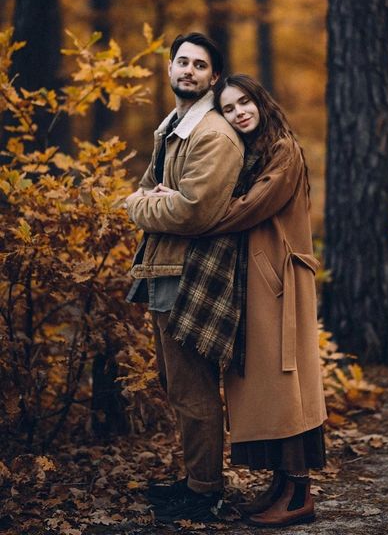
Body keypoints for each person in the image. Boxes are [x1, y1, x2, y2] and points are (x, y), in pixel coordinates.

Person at [157, 74, 328, 528]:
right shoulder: (253, 153)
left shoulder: (283, 150)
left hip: (281, 282)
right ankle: (281, 486)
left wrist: (192, 215)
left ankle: (298, 496)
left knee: (286, 388)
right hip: (257, 282)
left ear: (261, 101)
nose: (238, 113)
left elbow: (251, 207)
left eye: (244, 102)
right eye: (229, 109)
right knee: (266, 390)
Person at [125, 33, 244, 523]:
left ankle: (206, 492)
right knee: (176, 383)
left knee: (192, 386)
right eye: (181, 61)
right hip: (164, 265)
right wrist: (155, 200)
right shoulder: (172, 125)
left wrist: (139, 204)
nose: (188, 70)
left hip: (191, 272)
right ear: (169, 68)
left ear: (214, 77)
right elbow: (157, 194)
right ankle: (196, 479)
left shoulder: (212, 134)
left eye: (200, 64)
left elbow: (191, 210)